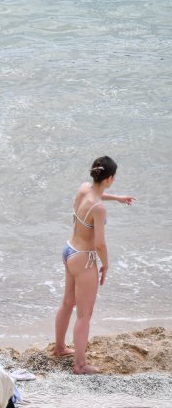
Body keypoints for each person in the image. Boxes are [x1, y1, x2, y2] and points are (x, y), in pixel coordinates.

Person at [53, 157, 135, 374]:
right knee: (84, 315)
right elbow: (99, 243)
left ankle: (60, 348)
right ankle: (80, 365)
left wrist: (116, 198)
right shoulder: (98, 208)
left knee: (67, 302)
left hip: (69, 250)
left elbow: (95, 194)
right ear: (110, 178)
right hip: (84, 259)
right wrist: (105, 265)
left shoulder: (83, 190)